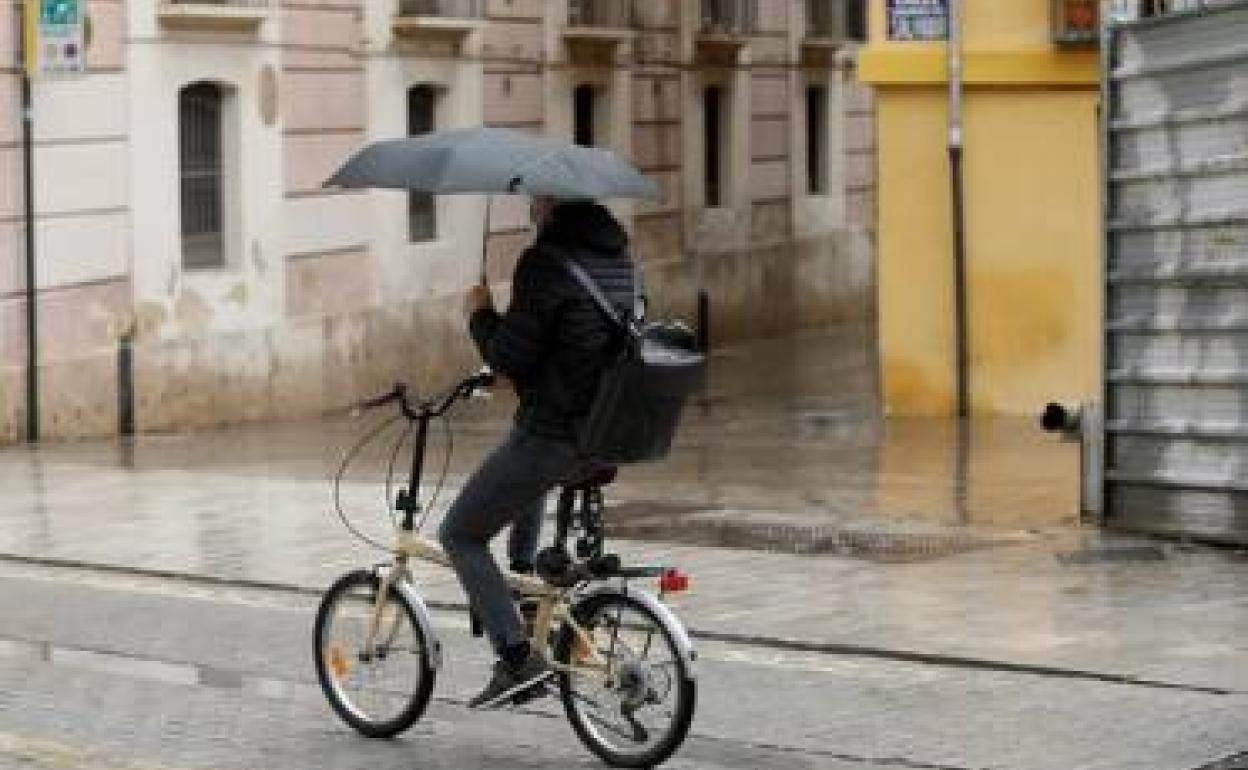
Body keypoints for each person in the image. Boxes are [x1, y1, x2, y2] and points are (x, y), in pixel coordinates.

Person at [439, 196, 636, 709]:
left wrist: (479, 314)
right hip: (605, 434)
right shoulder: (618, 261)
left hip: (556, 434)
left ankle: (517, 657)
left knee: (459, 534)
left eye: (534, 200)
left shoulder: (545, 262)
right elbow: (579, 342)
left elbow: (508, 354)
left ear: (549, 205)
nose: (530, 208)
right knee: (520, 466)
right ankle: (525, 588)